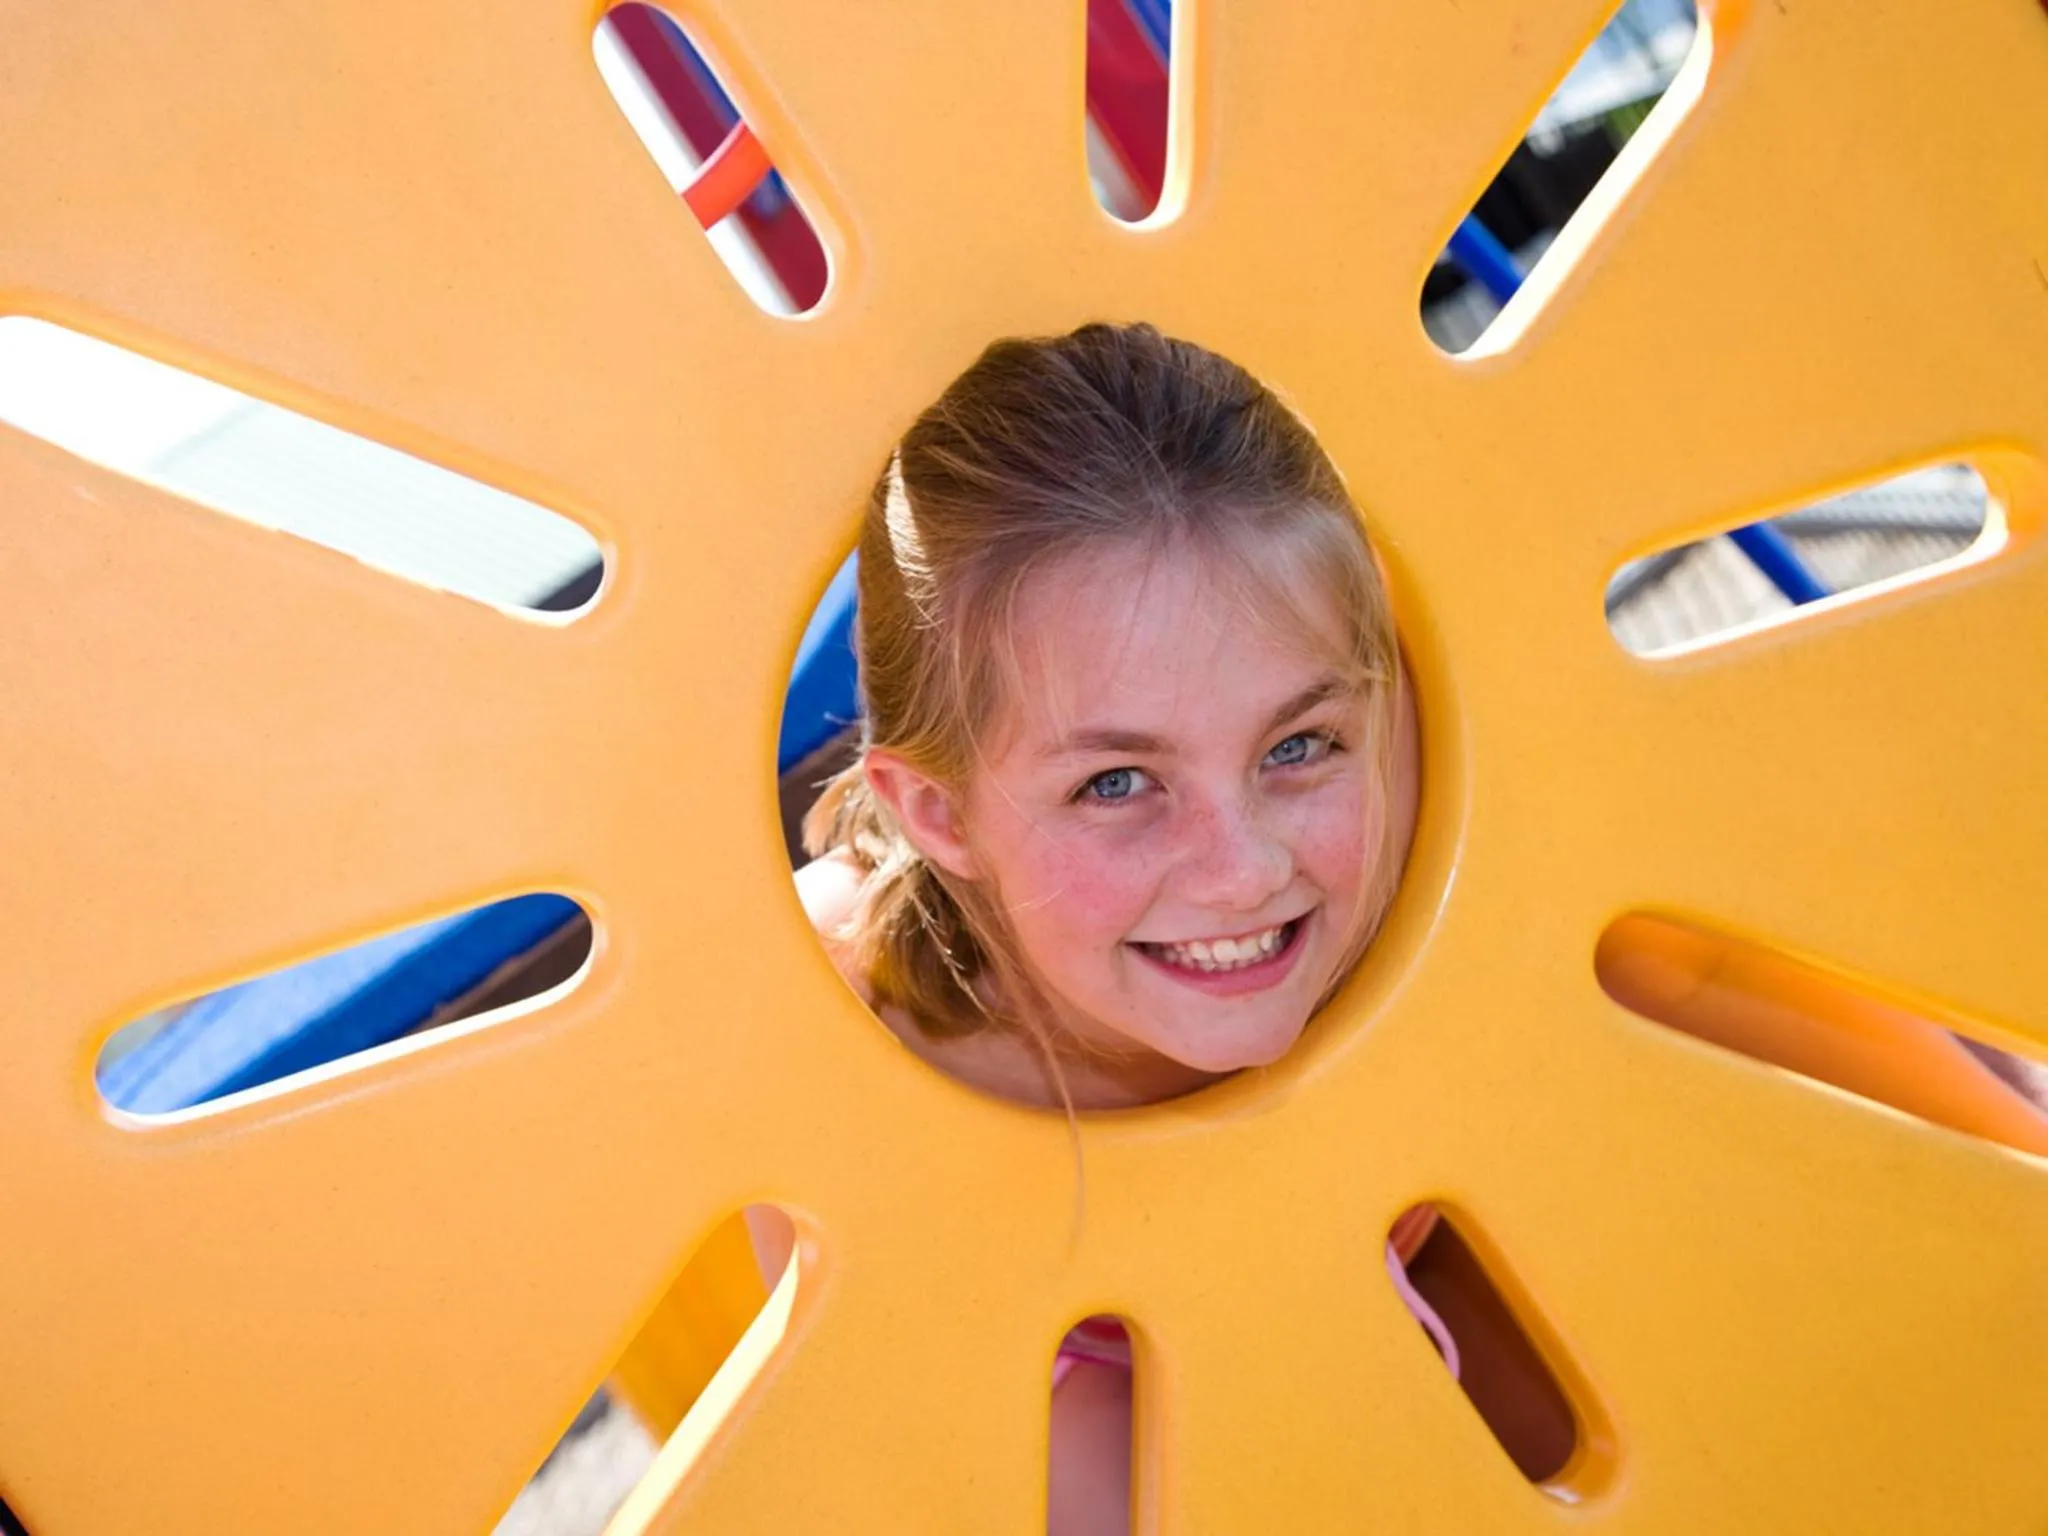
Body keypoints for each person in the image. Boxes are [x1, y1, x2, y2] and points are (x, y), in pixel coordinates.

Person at [784, 321, 1463, 1529]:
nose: (1243, 871)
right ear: (939, 813)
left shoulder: (1433, 811)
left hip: (1461, 1265)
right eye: (1114, 784)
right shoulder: (829, 1013)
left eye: (1296, 746)